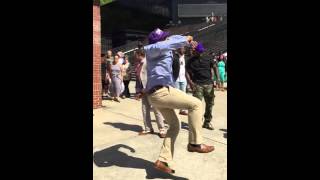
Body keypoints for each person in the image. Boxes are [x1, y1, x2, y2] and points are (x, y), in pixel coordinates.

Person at [144, 28, 214, 174]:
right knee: (196, 104)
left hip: (158, 93)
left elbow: (171, 39)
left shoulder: (164, 47)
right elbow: (165, 44)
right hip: (161, 92)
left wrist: (187, 39)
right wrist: (186, 41)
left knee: (175, 125)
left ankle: (163, 159)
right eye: (163, 38)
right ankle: (195, 143)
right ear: (158, 41)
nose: (166, 40)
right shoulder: (152, 49)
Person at [134, 50, 167, 138]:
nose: (135, 57)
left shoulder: (148, 63)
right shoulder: (138, 64)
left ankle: (162, 129)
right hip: (143, 90)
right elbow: (138, 79)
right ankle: (148, 128)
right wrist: (138, 91)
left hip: (151, 89)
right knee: (145, 109)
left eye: (135, 55)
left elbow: (152, 77)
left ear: (139, 55)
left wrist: (146, 89)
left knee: (157, 110)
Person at [186, 43, 215, 130]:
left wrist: (214, 79)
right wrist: (190, 82)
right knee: (196, 105)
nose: (198, 53)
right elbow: (186, 72)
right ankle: (197, 122)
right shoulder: (191, 60)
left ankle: (207, 122)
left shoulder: (208, 58)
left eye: (200, 52)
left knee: (210, 104)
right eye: (197, 51)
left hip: (209, 84)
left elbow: (214, 67)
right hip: (197, 85)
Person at [173, 47, 188, 116]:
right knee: (176, 96)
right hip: (176, 79)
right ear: (178, 49)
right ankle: (176, 110)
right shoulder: (174, 57)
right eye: (181, 49)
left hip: (183, 79)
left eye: (183, 49)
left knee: (184, 95)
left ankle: (183, 109)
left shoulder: (186, 57)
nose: (182, 50)